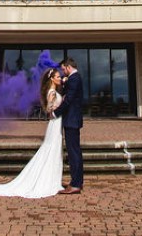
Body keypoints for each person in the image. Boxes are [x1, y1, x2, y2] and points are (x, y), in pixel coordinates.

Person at [0, 68, 64, 199]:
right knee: (51, 149)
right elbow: (48, 109)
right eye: (57, 76)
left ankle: (53, 179)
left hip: (57, 123)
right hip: (55, 123)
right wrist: (56, 108)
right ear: (52, 78)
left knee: (55, 150)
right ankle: (49, 180)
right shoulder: (52, 92)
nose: (59, 78)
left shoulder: (54, 91)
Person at [57, 57, 84, 194]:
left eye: (63, 69)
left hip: (71, 120)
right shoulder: (73, 79)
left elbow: (68, 101)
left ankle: (75, 184)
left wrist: (56, 112)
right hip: (73, 120)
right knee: (75, 151)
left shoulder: (74, 79)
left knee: (73, 152)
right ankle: (77, 181)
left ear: (68, 67)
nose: (63, 72)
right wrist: (63, 82)